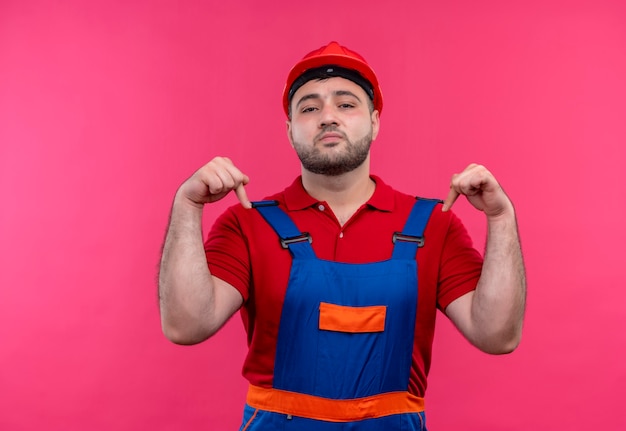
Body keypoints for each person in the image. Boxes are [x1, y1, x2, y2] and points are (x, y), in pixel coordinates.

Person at [158, 41, 526, 430]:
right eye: (310, 107)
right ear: (289, 130)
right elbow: (185, 326)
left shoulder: (434, 224)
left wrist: (501, 218)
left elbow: (497, 335)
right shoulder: (248, 223)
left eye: (346, 104)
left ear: (375, 121)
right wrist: (187, 205)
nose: (327, 117)